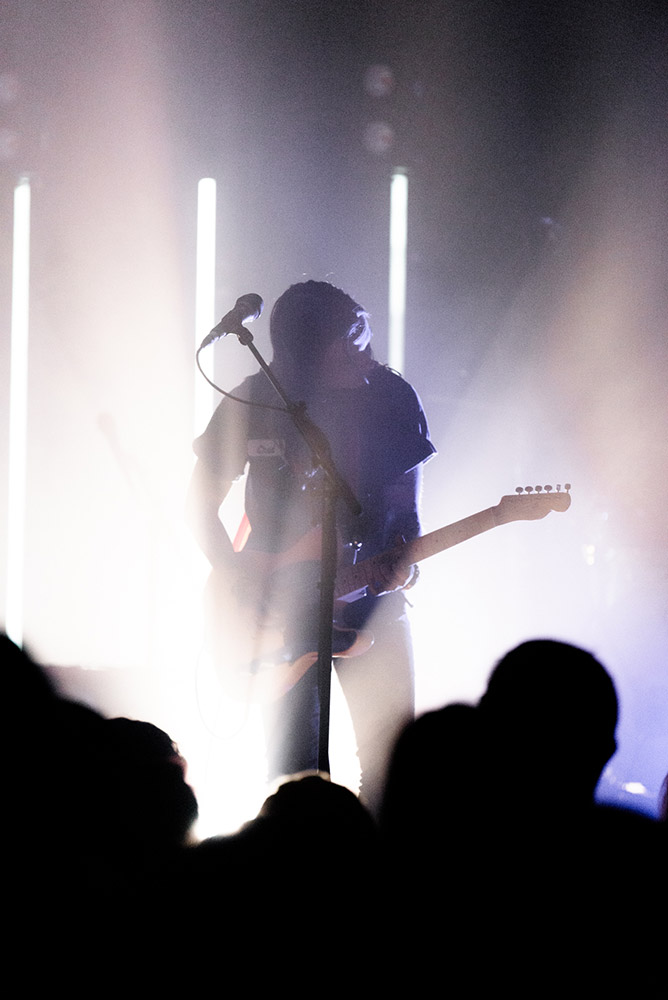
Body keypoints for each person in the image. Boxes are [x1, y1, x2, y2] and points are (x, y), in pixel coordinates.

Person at [187, 279, 435, 813]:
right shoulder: (255, 399)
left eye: (361, 332)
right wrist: (237, 577)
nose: (362, 347)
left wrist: (402, 563)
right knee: (294, 780)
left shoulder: (390, 397)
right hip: (275, 609)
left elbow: (405, 511)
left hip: (370, 603)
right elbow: (199, 504)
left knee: (395, 772)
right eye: (346, 337)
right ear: (305, 350)